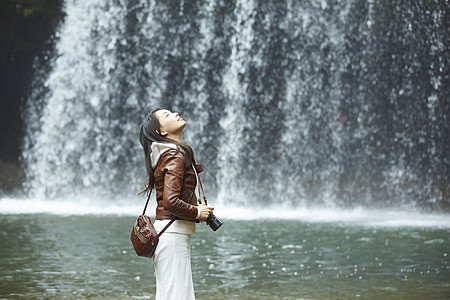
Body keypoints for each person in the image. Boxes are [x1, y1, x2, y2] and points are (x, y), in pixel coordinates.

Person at [139, 107, 214, 300]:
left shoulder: (168, 154)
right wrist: (198, 212)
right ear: (162, 132)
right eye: (167, 115)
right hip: (171, 235)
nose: (175, 114)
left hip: (169, 233)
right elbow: (170, 202)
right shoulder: (174, 155)